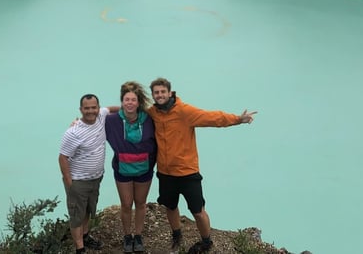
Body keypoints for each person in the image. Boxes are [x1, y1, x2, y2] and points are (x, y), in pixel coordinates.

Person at [147, 77, 258, 254]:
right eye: (156, 93)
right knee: (170, 206)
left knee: (198, 211)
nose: (160, 95)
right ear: (153, 95)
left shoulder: (184, 111)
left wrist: (238, 119)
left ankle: (206, 242)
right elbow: (133, 112)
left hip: (187, 173)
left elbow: (212, 117)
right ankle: (177, 235)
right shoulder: (153, 112)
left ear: (170, 92)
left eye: (162, 92)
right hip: (165, 172)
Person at [59, 94, 119, 253]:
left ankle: (85, 236)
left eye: (94, 107)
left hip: (96, 178)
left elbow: (111, 109)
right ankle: (80, 248)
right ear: (81, 109)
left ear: (98, 107)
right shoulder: (73, 132)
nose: (91, 111)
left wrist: (131, 110)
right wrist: (70, 183)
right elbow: (63, 158)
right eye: (87, 108)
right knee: (77, 216)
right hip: (78, 181)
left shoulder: (101, 116)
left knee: (88, 209)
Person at [104, 81, 157, 253]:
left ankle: (138, 235)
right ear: (122, 101)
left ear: (138, 102)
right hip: (122, 169)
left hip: (145, 169)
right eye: (126, 99)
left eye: (133, 100)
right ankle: (127, 236)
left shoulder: (150, 119)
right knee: (126, 204)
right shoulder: (112, 120)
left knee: (140, 203)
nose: (130, 103)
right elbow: (92, 120)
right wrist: (77, 122)